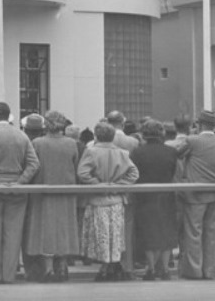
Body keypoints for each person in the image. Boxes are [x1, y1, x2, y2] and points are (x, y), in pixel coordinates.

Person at [0, 102, 40, 284]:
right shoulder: (22, 136)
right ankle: (8, 274)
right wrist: (20, 182)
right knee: (14, 232)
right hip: (17, 188)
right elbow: (34, 164)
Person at [177, 110, 215, 280]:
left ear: (198, 124)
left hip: (195, 194)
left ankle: (194, 271)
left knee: (193, 233)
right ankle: (209, 271)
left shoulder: (192, 141)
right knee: (213, 234)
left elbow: (177, 154)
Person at [78, 121, 139, 282]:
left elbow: (82, 173)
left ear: (97, 135)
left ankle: (105, 269)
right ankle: (112, 265)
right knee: (115, 236)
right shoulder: (122, 152)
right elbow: (133, 174)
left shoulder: (91, 151)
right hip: (117, 200)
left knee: (101, 236)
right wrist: (118, 186)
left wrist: (97, 184)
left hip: (98, 199)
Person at [24, 111, 79, 283]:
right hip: (66, 192)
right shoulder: (71, 143)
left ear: (45, 125)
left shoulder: (37, 143)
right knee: (64, 229)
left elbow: (32, 166)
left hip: (42, 192)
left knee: (44, 229)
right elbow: (75, 166)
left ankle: (47, 269)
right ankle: (62, 266)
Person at [130, 119, 178, 281]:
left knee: (148, 233)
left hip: (144, 196)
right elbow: (175, 173)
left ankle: (150, 268)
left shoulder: (137, 152)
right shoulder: (171, 152)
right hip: (166, 195)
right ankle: (164, 269)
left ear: (144, 134)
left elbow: (133, 174)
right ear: (161, 133)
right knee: (166, 232)